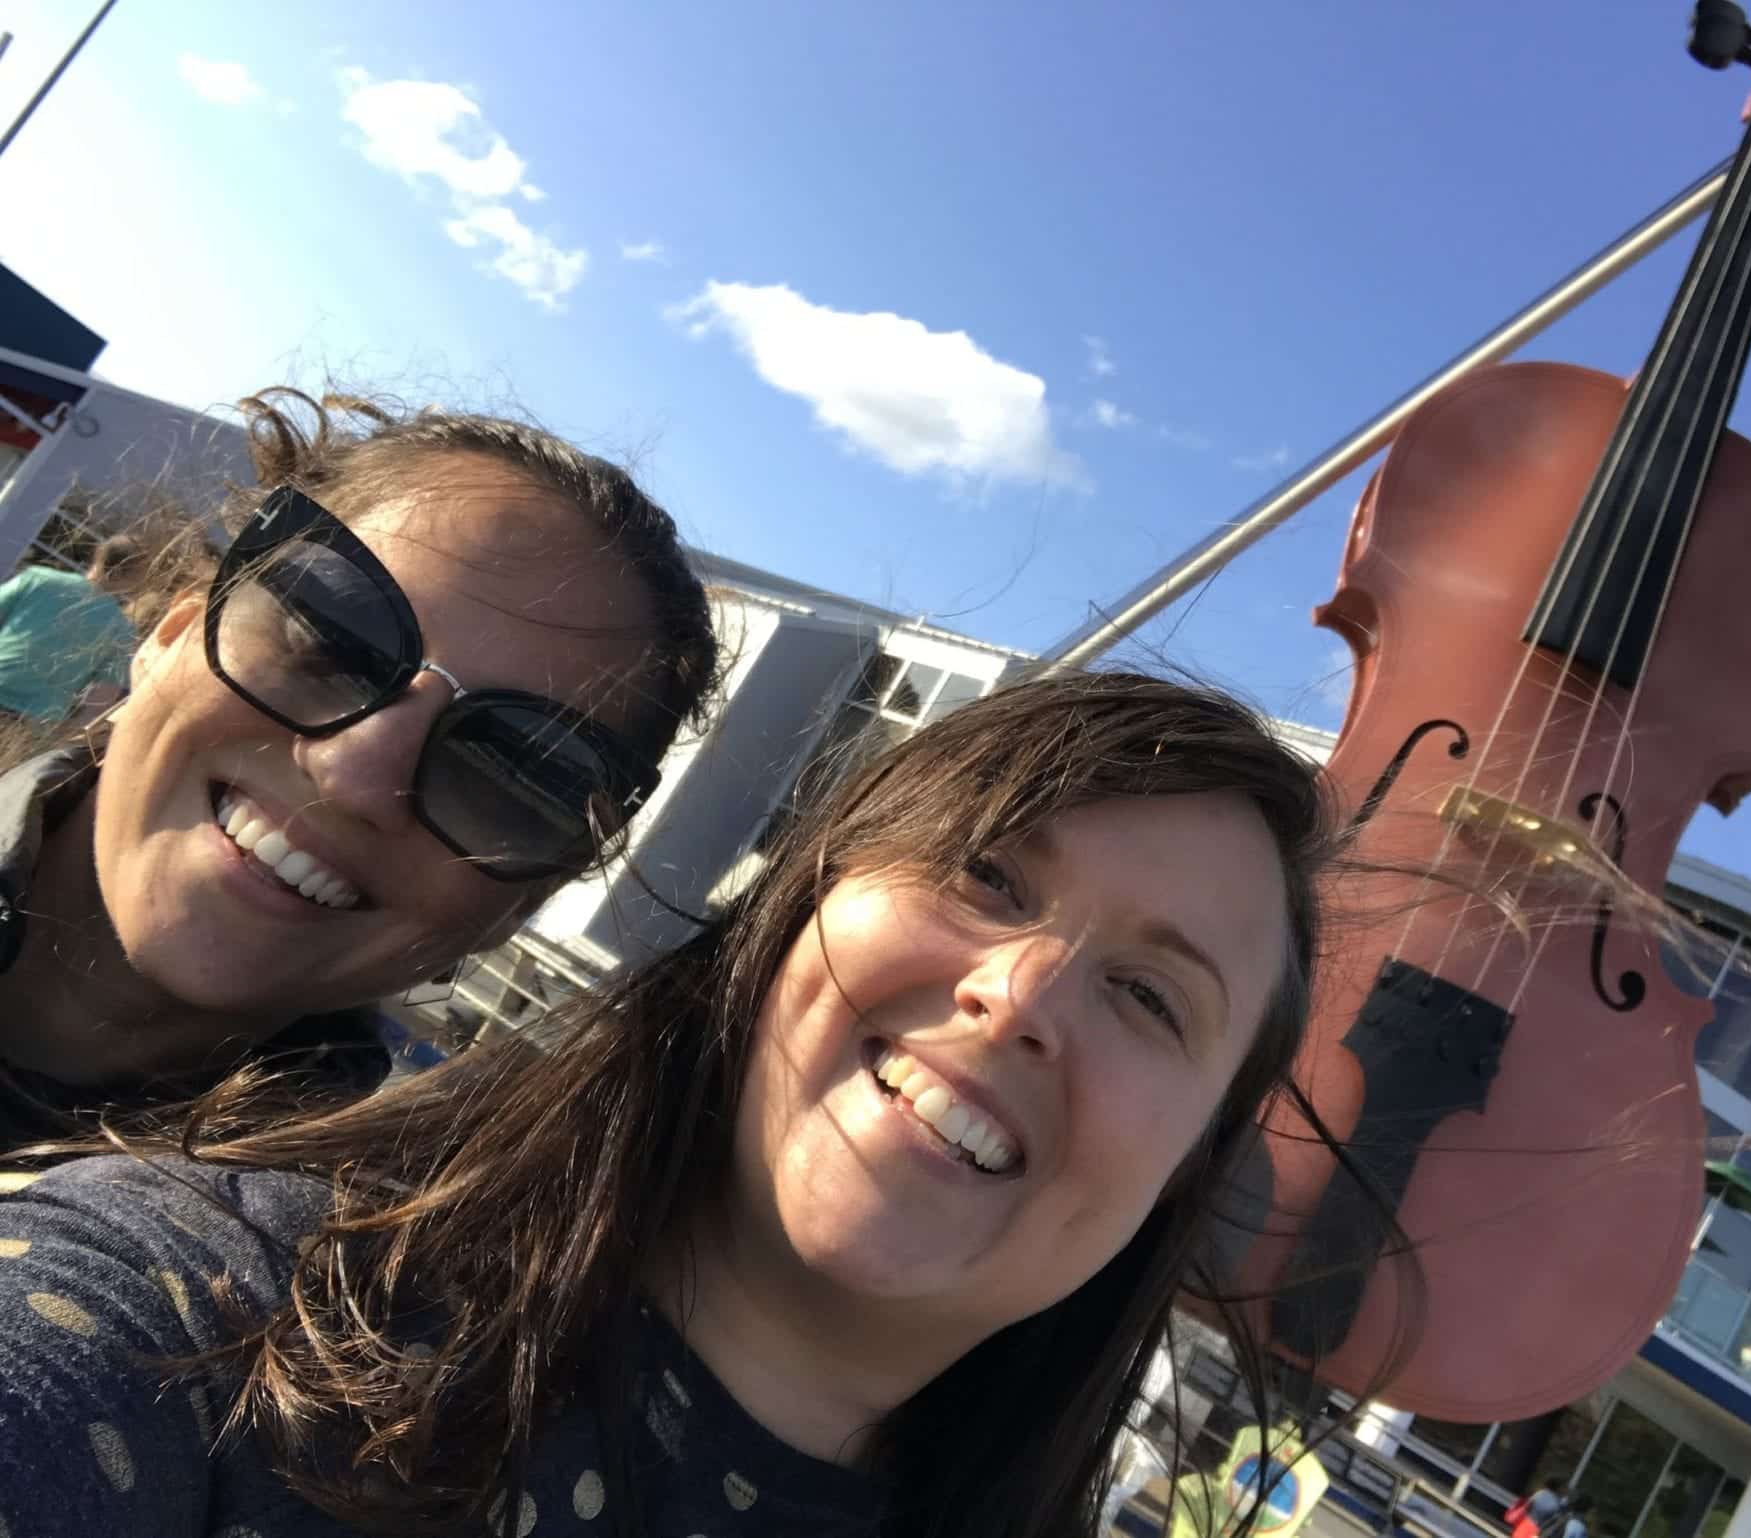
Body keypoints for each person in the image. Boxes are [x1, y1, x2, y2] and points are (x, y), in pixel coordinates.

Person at [0, 670, 1392, 1538]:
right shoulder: (212, 1303)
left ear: (1186, 1177)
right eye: (987, 877)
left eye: (1155, 999)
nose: (1022, 995)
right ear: (789, 916)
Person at [0, 387, 719, 1145]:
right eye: (330, 636)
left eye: (513, 770)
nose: (358, 777)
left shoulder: (358, 1253)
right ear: (174, 633)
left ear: (523, 903)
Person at [0, 530, 147, 725]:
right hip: (32, 720)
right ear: (135, 578)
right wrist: (63, 737)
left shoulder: (37, 579)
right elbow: (101, 697)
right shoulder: (121, 630)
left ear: (98, 553)